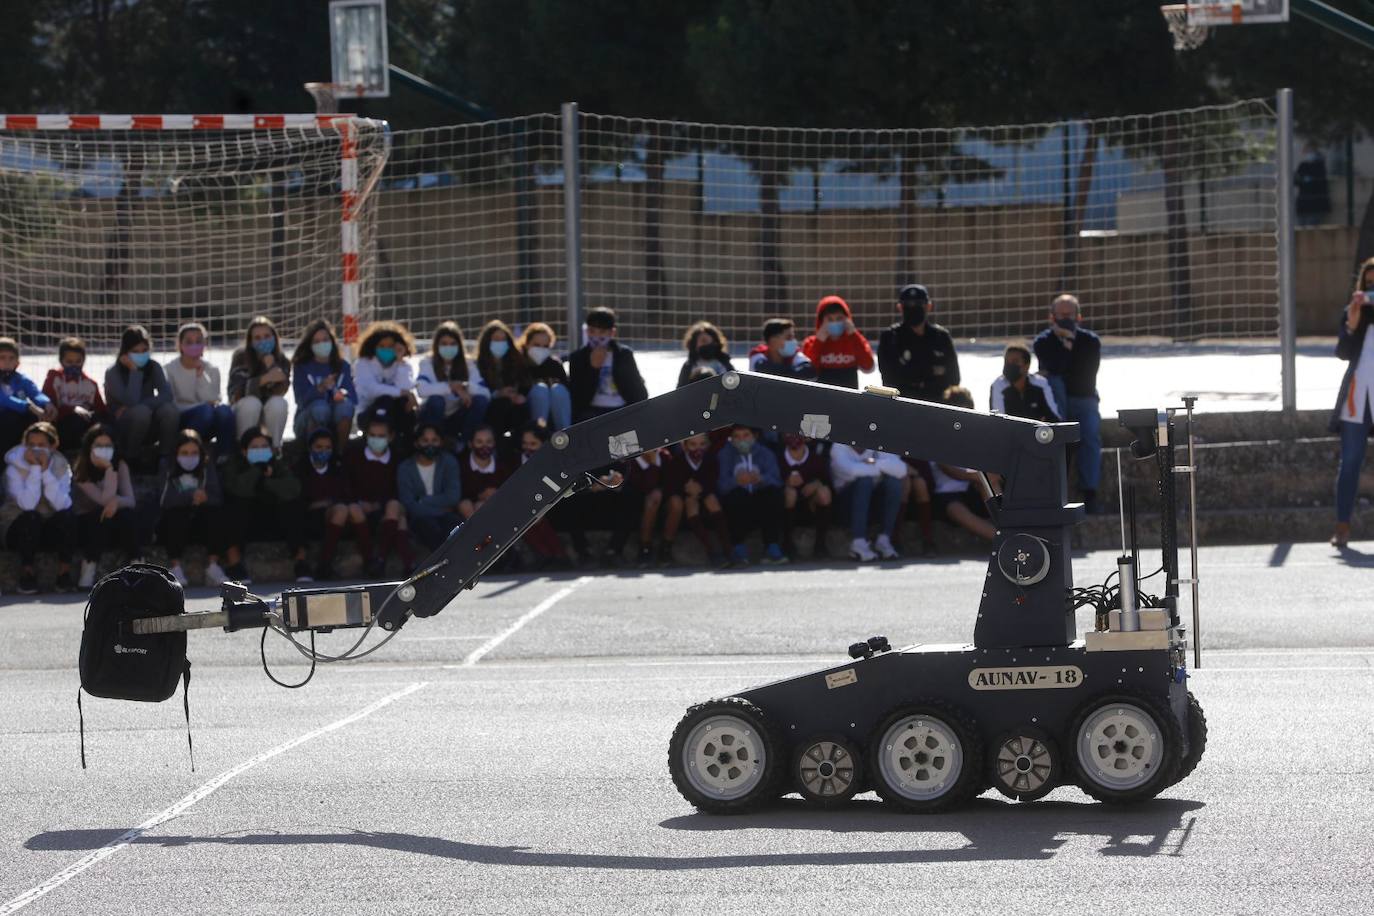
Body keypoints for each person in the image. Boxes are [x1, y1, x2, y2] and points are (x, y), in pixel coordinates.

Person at [1033, 293, 1102, 512]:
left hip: (1083, 398)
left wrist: (1068, 345)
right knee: (1055, 385)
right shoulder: (1043, 342)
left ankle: (1089, 491)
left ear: (1078, 317)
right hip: (1056, 403)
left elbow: (1085, 375)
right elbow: (1055, 371)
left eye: (1069, 315)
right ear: (1052, 317)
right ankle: (1054, 492)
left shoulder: (1091, 341)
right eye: (1061, 315)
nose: (1065, 319)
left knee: (1090, 434)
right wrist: (1066, 350)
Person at [222, 427, 308, 583]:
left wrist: (267, 481)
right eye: (254, 447)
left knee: (293, 505)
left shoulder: (277, 464)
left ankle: (301, 562)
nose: (260, 451)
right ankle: (234, 563)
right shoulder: (234, 464)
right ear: (244, 451)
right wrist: (256, 471)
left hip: (275, 522)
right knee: (234, 505)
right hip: (246, 523)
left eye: (264, 447)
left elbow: (293, 489)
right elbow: (237, 489)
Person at [1, 421, 76, 594]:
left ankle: (64, 573)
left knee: (67, 516)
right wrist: (35, 468)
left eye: (41, 445)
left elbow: (62, 504)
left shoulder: (60, 465)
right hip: (18, 528)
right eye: (31, 445)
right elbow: (27, 504)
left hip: (47, 527)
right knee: (31, 518)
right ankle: (27, 573)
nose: (36, 449)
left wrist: (45, 472)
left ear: (53, 445)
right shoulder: (14, 467)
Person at [1331, 255, 1374, 547]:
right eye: (1368, 282)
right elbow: (1343, 352)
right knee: (1350, 462)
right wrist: (1353, 320)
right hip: (1358, 396)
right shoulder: (1354, 312)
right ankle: (1342, 526)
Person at [70, 424, 143, 588]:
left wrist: (117, 502)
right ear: (89, 447)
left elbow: (130, 500)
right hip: (89, 524)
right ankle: (88, 567)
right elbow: (102, 500)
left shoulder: (121, 464)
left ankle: (138, 563)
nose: (104, 450)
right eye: (99, 446)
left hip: (115, 521)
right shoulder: (81, 470)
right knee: (98, 517)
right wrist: (109, 469)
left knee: (128, 516)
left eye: (108, 446)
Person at [344, 414, 416, 578]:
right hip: (359, 511)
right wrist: (358, 502)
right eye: (373, 435)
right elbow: (345, 485)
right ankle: (371, 560)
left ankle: (382, 559)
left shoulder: (397, 459)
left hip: (384, 511)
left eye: (381, 436)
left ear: (390, 437)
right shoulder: (354, 456)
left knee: (396, 509)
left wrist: (379, 505)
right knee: (354, 509)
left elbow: (399, 490)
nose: (377, 439)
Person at [157, 429, 226, 587]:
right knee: (175, 515)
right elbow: (163, 499)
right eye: (185, 452)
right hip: (175, 522)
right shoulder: (167, 466)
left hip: (200, 521)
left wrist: (205, 497)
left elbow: (217, 496)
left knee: (215, 514)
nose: (189, 457)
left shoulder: (206, 466)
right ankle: (175, 567)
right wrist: (189, 495)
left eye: (194, 452)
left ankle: (213, 566)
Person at [103, 325, 180, 466]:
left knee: (169, 410)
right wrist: (134, 371)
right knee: (141, 412)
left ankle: (164, 456)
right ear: (125, 352)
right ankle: (131, 456)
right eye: (135, 351)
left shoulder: (154, 367)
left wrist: (146, 404)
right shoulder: (113, 372)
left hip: (149, 423)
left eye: (144, 350)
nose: (141, 354)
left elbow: (167, 395)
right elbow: (131, 400)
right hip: (125, 427)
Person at [298, 427, 367, 581]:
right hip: (311, 520)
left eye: (328, 447)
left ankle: (370, 561)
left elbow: (347, 494)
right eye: (319, 447)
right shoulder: (300, 468)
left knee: (353, 509)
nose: (323, 451)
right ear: (310, 448)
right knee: (342, 509)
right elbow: (299, 500)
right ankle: (324, 564)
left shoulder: (337, 468)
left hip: (337, 517)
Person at [930, 387, 997, 542]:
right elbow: (948, 470)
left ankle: (1008, 526)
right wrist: (979, 477)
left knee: (990, 482)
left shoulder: (975, 435)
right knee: (957, 509)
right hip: (946, 495)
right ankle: (1003, 539)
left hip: (972, 489)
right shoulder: (937, 436)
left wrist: (985, 477)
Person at [717, 425, 787, 566]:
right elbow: (721, 485)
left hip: (760, 501)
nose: (741, 439)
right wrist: (736, 481)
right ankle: (738, 547)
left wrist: (761, 479)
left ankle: (772, 546)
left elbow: (777, 480)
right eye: (737, 436)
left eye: (746, 435)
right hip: (738, 504)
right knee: (735, 496)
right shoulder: (725, 454)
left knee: (773, 495)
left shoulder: (766, 453)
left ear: (754, 436)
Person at [877, 283, 961, 402]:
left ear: (928, 306)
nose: (913, 308)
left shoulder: (941, 337)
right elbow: (889, 379)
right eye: (908, 305)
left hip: (938, 405)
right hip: (904, 405)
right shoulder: (890, 338)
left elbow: (954, 379)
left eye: (919, 304)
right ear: (900, 307)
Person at [164, 322, 236, 456]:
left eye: (198, 341)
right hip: (184, 419)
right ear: (180, 345)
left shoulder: (212, 369)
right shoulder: (169, 369)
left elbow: (212, 399)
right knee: (205, 411)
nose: (194, 345)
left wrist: (200, 376)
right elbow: (171, 403)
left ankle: (224, 457)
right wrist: (200, 407)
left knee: (225, 411)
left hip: (207, 417)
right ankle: (186, 449)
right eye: (189, 342)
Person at [415, 321, 488, 451]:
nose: (448, 347)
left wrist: (465, 387)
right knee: (436, 400)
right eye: (444, 344)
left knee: (480, 401)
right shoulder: (427, 362)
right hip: (433, 415)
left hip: (456, 416)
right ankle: (435, 443)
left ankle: (464, 444)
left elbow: (485, 393)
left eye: (453, 344)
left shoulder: (469, 364)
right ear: (436, 345)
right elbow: (421, 389)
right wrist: (450, 386)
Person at [661, 433, 732, 568]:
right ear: (684, 445)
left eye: (702, 444)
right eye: (693, 444)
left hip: (705, 498)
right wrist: (687, 490)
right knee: (689, 504)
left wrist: (700, 489)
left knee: (711, 499)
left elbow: (712, 482)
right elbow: (671, 486)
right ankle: (711, 552)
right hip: (685, 502)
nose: (697, 448)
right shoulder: (677, 461)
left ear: (707, 444)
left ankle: (728, 550)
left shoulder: (711, 460)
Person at [569, 307, 648, 421]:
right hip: (592, 414)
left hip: (622, 411)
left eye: (602, 332)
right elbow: (578, 400)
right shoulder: (578, 357)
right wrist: (593, 369)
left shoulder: (624, 354)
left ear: (612, 333)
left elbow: (640, 395)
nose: (596, 337)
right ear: (587, 332)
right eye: (592, 331)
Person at [830, 443, 905, 562]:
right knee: (864, 481)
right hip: (845, 507)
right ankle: (858, 542)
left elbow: (901, 469)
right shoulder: (838, 447)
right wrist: (881, 468)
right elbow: (852, 470)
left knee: (894, 483)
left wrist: (875, 462)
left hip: (870, 505)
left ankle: (883, 540)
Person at [397, 422, 464, 553]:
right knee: (430, 529)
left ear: (441, 442)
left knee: (457, 528)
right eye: (425, 440)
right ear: (417, 443)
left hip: (446, 515)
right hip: (419, 517)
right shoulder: (405, 468)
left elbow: (453, 497)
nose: (430, 445)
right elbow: (409, 503)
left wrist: (422, 499)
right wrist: (440, 507)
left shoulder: (449, 462)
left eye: (434, 440)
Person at [291, 318, 357, 447]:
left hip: (335, 417)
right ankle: (314, 453)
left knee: (345, 407)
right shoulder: (302, 367)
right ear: (310, 345)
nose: (322, 344)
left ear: (332, 341)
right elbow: (300, 400)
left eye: (325, 340)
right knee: (320, 408)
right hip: (307, 419)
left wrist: (342, 395)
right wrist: (319, 389)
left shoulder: (343, 366)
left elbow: (353, 397)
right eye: (316, 341)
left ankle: (339, 455)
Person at [227, 316, 291, 448]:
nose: (263, 341)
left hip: (267, 412)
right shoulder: (240, 357)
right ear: (250, 342)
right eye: (257, 338)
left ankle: (274, 450)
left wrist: (272, 366)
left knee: (279, 404)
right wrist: (265, 379)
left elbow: (281, 390)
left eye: (267, 336)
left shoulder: (282, 359)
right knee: (251, 404)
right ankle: (244, 450)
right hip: (245, 411)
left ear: (274, 337)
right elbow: (237, 393)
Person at [352, 320, 417, 444]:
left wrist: (399, 361)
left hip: (394, 413)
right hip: (368, 413)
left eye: (390, 346)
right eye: (382, 346)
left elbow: (405, 387)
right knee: (385, 399)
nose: (386, 349)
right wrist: (401, 392)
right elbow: (372, 390)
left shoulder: (404, 365)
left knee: (405, 405)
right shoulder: (363, 364)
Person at [516, 424, 571, 567]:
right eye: (525, 444)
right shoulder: (515, 460)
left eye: (533, 444)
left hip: (552, 502)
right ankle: (545, 554)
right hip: (524, 504)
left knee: (535, 514)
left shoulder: (553, 461)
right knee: (525, 514)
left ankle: (558, 555)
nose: (528, 448)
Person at [42, 337, 107, 452]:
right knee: (75, 420)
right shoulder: (54, 379)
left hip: (85, 424)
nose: (74, 365)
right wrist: (72, 409)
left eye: (78, 361)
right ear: (62, 361)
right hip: (62, 424)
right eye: (69, 362)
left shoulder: (90, 384)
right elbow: (50, 407)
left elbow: (100, 409)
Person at [801, 294, 875, 389]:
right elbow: (806, 374)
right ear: (821, 321)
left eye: (839, 318)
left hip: (848, 398)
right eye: (830, 319)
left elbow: (868, 367)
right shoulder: (810, 343)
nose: (835, 322)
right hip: (820, 398)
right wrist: (819, 342)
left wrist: (854, 336)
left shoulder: (855, 341)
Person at [474, 319, 529, 444]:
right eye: (496, 339)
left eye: (503, 340)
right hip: (491, 407)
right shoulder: (477, 364)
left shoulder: (516, 361)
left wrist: (519, 395)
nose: (500, 343)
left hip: (513, 406)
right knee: (502, 403)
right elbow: (477, 389)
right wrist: (498, 393)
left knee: (520, 409)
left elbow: (525, 383)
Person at [780, 433, 833, 559]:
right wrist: (785, 482)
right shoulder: (778, 457)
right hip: (785, 510)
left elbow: (828, 482)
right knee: (790, 493)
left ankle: (820, 545)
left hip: (810, 508)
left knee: (824, 493)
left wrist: (817, 483)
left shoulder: (815, 458)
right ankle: (787, 543)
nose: (794, 437)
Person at [0, 338, 56, 455]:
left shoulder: (21, 379)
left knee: (36, 418)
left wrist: (47, 403)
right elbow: (4, 400)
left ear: (17, 362)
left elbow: (35, 393)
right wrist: (28, 406)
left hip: (17, 422)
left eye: (11, 358)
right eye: (2, 358)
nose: (7, 362)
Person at [518, 322, 572, 430]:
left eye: (545, 346)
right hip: (527, 412)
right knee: (540, 390)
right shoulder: (518, 363)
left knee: (558, 390)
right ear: (527, 344)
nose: (541, 349)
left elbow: (566, 389)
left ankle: (565, 434)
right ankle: (537, 435)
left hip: (555, 412)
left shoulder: (555, 364)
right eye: (536, 345)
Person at [990, 344, 1060, 422]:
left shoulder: (1041, 384)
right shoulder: (998, 385)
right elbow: (998, 421)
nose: (1010, 365)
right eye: (1007, 361)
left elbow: (1054, 418)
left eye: (1015, 361)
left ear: (1027, 366)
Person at [458, 425, 513, 521]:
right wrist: (479, 496)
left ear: (494, 443)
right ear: (470, 444)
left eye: (489, 442)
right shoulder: (460, 465)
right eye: (479, 442)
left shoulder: (503, 467)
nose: (485, 446)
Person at [629, 447, 671, 567]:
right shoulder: (632, 460)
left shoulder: (664, 456)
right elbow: (647, 486)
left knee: (675, 503)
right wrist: (652, 464)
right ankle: (645, 546)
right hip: (638, 502)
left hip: (663, 501)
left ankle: (666, 548)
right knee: (653, 498)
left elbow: (670, 484)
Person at [748, 318, 816, 379]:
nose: (794, 341)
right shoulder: (757, 355)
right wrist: (793, 371)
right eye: (788, 337)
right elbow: (765, 369)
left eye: (793, 337)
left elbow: (808, 370)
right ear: (773, 340)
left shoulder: (796, 354)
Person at [677, 321, 734, 387]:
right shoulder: (689, 366)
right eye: (702, 341)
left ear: (715, 342)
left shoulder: (724, 363)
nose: (705, 345)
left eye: (706, 341)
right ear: (694, 345)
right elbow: (680, 391)